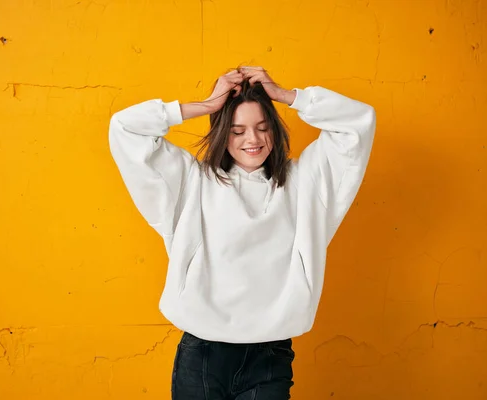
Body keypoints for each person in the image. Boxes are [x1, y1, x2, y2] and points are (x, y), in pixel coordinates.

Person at [109, 66, 376, 400]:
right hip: (202, 354)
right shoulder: (192, 182)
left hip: (270, 356)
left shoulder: (305, 183)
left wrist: (288, 96)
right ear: (223, 134)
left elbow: (358, 122)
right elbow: (125, 128)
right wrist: (206, 106)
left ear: (275, 132)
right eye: (237, 131)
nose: (253, 139)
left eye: (263, 128)